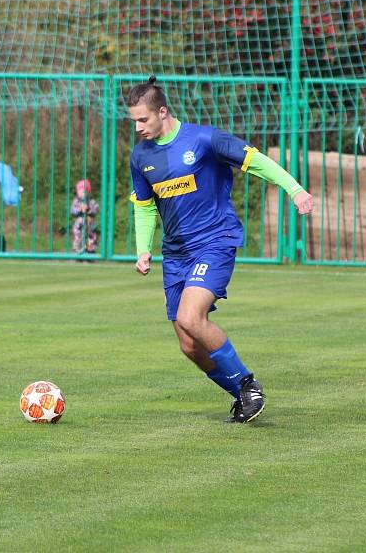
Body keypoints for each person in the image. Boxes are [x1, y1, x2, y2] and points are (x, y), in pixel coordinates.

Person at [126, 76, 313, 423]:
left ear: (162, 112)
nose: (137, 127)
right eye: (133, 120)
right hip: (176, 254)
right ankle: (242, 396)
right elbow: (143, 205)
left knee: (190, 317)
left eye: (143, 119)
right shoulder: (141, 157)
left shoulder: (204, 140)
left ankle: (248, 383)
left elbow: (256, 160)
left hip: (215, 242)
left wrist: (294, 189)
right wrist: (143, 249)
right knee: (187, 343)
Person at [70, 179, 99, 255]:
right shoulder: (76, 201)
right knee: (77, 235)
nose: (80, 193)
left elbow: (96, 209)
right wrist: (80, 209)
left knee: (91, 236)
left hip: (89, 224)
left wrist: (88, 209)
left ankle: (90, 250)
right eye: (79, 191)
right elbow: (72, 210)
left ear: (88, 192)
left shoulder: (91, 201)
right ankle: (78, 249)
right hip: (79, 225)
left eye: (83, 191)